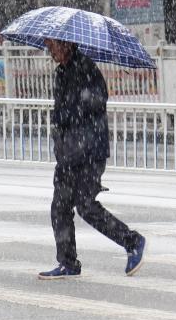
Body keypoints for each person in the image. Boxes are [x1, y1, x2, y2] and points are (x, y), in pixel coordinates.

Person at [38, 38, 146, 279]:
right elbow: (61, 113)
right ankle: (68, 263)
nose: (50, 51)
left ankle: (133, 241)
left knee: (86, 206)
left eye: (52, 46)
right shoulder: (61, 73)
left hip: (89, 152)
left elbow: (97, 102)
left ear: (65, 44)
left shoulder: (86, 68)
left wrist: (73, 109)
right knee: (60, 207)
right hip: (68, 153)